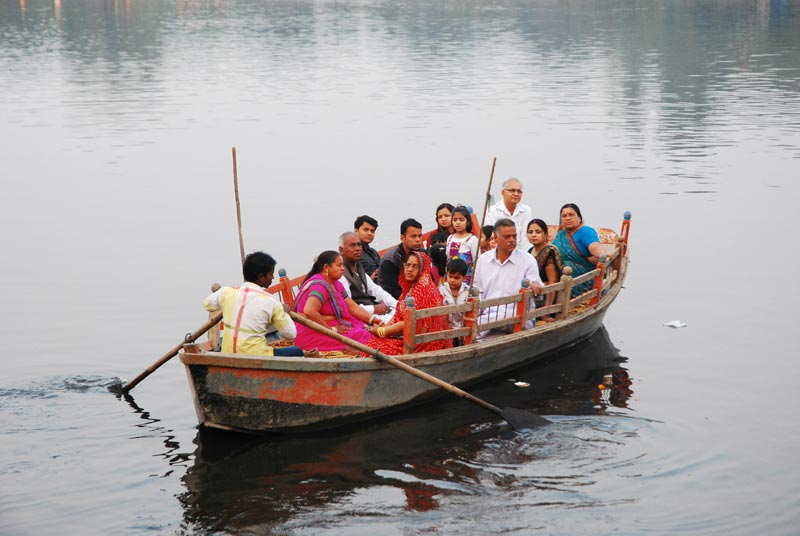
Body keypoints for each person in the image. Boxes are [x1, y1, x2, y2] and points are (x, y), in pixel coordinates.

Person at [203, 251, 306, 357]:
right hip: (257, 356)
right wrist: (285, 314)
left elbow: (207, 304)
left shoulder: (226, 292)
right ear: (261, 276)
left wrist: (226, 305)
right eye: (271, 274)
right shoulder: (272, 302)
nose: (273, 278)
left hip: (227, 354)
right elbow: (290, 334)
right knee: (297, 351)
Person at [363, 251, 452, 356]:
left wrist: (382, 331)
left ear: (423, 269)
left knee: (373, 346)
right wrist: (384, 329)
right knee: (372, 341)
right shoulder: (411, 288)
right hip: (409, 336)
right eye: (408, 265)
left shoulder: (421, 291)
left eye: (415, 266)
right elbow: (398, 314)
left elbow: (406, 322)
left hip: (421, 344)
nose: (409, 269)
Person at [292, 250, 382, 353]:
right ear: (326, 267)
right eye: (339, 265)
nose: (343, 269)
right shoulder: (319, 286)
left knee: (364, 332)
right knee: (363, 337)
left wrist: (376, 320)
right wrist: (331, 331)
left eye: (343, 265)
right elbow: (309, 311)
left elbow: (353, 308)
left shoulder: (336, 283)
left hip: (329, 326)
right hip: (312, 333)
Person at [472, 218, 543, 335]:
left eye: (514, 236)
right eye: (507, 237)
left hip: (519, 316)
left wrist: (535, 284)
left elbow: (535, 282)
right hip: (488, 316)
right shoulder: (483, 260)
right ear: (495, 238)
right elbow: (477, 289)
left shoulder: (527, 260)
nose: (512, 240)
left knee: (498, 319)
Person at [337, 231, 397, 324]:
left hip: (372, 311)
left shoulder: (358, 268)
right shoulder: (341, 275)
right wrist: (373, 309)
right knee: (399, 321)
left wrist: (397, 305)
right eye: (352, 245)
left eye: (359, 245)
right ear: (341, 250)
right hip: (359, 317)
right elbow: (347, 307)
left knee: (400, 313)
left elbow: (376, 290)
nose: (357, 249)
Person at [552, 203, 604, 297]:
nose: (567, 218)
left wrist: (603, 255)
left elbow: (594, 246)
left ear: (579, 218)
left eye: (571, 215)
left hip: (583, 277)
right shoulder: (561, 235)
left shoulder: (585, 231)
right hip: (561, 273)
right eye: (564, 216)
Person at [377, 218, 424, 300]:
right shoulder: (390, 260)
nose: (418, 240)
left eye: (419, 236)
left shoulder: (422, 254)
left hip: (416, 295)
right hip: (392, 302)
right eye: (413, 236)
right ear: (402, 238)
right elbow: (392, 291)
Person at [526, 218, 563, 315]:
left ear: (545, 234)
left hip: (545, 296)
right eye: (530, 232)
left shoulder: (549, 251)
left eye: (538, 232)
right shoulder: (529, 251)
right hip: (531, 292)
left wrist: (545, 313)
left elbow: (552, 283)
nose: (533, 235)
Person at [485, 177, 532, 250]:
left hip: (520, 255)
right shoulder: (493, 210)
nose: (516, 194)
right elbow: (491, 236)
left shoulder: (526, 211)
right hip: (499, 253)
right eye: (512, 190)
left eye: (519, 191)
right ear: (503, 193)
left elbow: (526, 239)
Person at [439, 258, 470, 345]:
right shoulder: (441, 290)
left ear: (464, 278)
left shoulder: (469, 291)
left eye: (456, 278)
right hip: (445, 330)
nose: (452, 280)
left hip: (464, 330)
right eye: (450, 276)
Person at [446, 205, 479, 285]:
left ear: (467, 222)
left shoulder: (472, 239)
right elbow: (448, 258)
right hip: (451, 280)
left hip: (466, 280)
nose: (458, 222)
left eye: (461, 220)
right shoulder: (450, 238)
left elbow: (477, 262)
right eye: (455, 220)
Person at [354, 215, 381, 280]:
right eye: (366, 230)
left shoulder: (374, 252)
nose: (370, 233)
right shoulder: (351, 252)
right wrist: (370, 280)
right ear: (356, 230)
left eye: (372, 231)